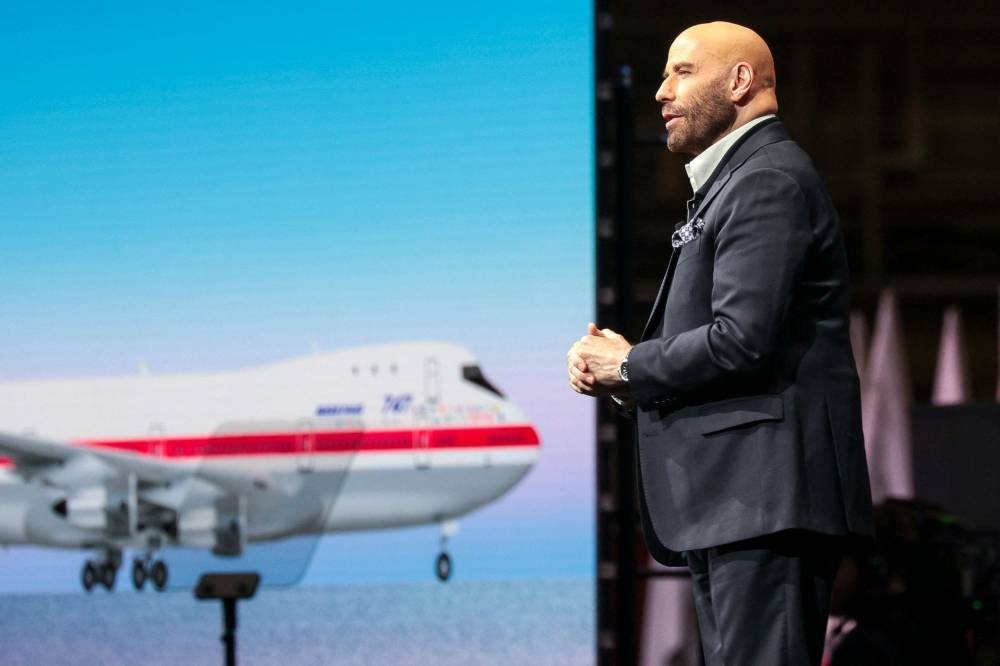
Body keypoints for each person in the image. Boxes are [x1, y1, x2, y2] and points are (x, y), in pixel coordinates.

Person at [567, 21, 874, 666]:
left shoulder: (767, 180)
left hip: (766, 502)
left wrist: (630, 364)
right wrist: (626, 373)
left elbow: (741, 341)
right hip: (741, 503)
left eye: (681, 72)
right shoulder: (738, 181)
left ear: (739, 82)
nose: (661, 92)